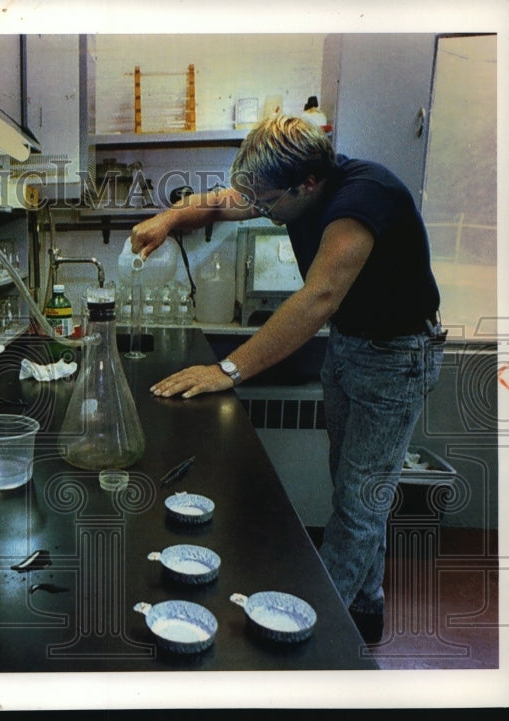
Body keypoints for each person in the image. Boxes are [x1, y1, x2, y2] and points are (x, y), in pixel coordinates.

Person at [130, 114, 445, 643]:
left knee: (358, 501)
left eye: (268, 203)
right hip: (351, 345)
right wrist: (167, 219)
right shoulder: (290, 184)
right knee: (356, 488)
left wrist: (225, 369)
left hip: (396, 356)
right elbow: (222, 201)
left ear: (308, 184)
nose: (260, 211)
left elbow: (316, 298)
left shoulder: (362, 202)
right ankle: (365, 611)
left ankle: (315, 642)